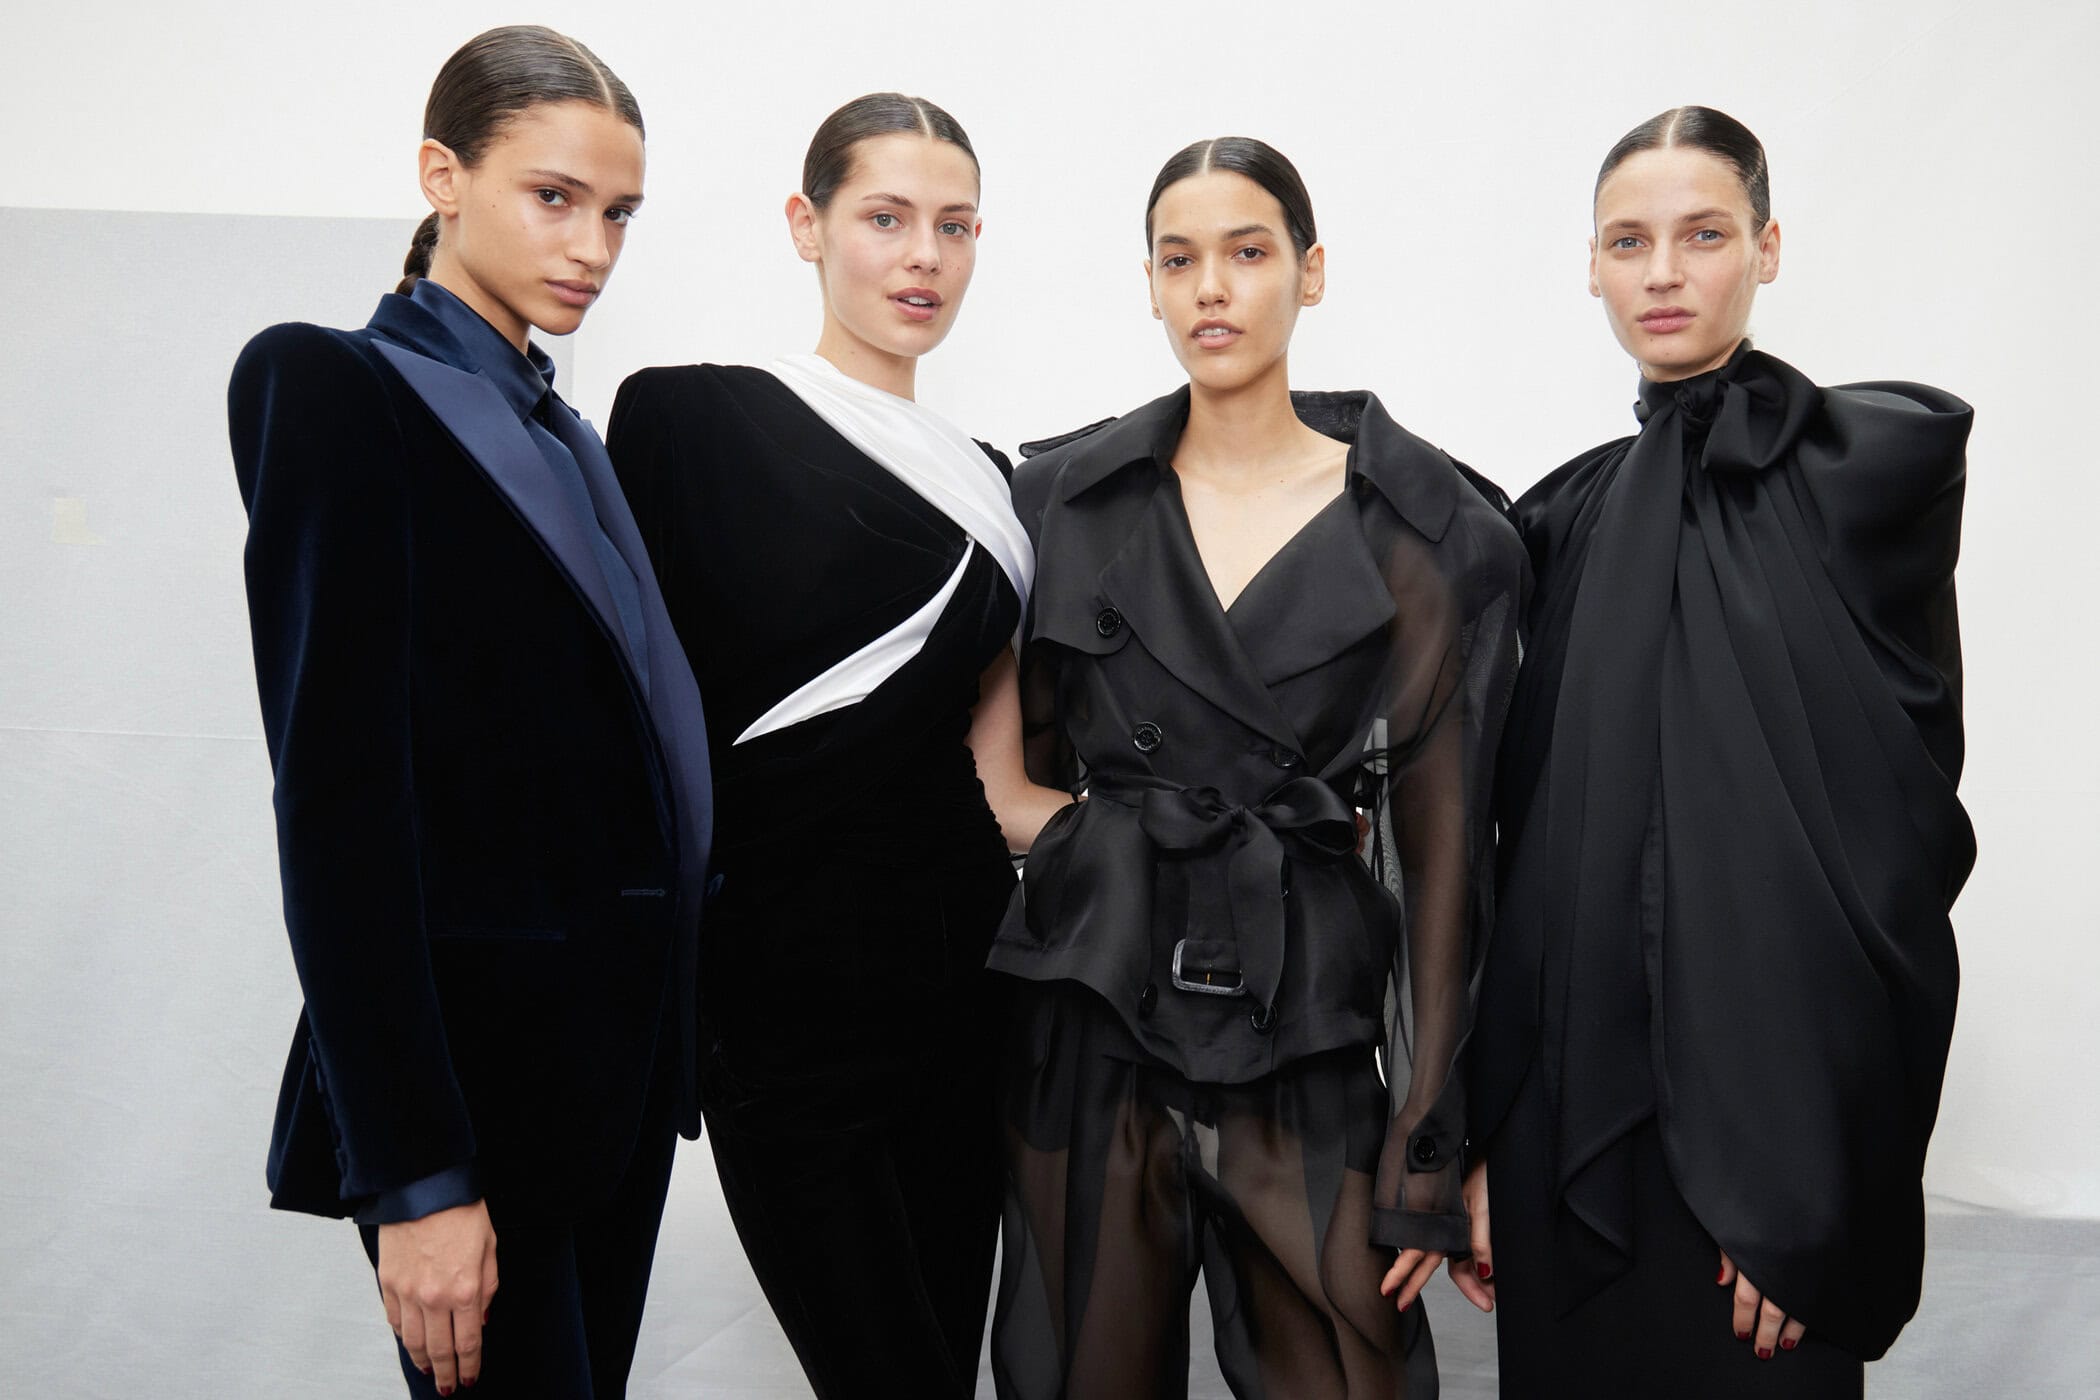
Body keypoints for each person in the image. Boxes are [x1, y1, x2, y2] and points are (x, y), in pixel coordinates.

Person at [981, 136, 1525, 1398]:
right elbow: (1013, 771)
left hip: (1306, 1023)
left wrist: (1426, 1138)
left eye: (1247, 252)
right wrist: (1083, 837)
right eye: (1179, 260)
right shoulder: (1062, 498)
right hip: (1096, 1014)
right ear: (1150, 284)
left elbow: (1447, 856)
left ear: (1310, 271)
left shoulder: (1430, 528)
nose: (1211, 288)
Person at [228, 26, 711, 1398]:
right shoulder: (336, 387)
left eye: (618, 214)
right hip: (471, 1103)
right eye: (553, 198)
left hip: (611, 1084)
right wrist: (415, 1173)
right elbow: (337, 811)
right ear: (443, 175)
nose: (592, 248)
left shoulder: (567, 431)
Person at [1462, 106, 1975, 1398]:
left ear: (1768, 247)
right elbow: (1523, 852)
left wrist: (1805, 1180)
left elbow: (1882, 857)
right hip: (1563, 1129)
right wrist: (1482, 1143)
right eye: (1628, 241)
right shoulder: (1565, 519)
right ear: (1590, 265)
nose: (1663, 272)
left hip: (1767, 1141)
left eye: (1703, 235)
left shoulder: (1862, 484)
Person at [604, 94, 1033, 1397]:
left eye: (955, 226)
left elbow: (1003, 787)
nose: (924, 257)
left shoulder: (995, 480)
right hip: (780, 1015)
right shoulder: (687, 422)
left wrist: (1232, 832)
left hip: (966, 1002)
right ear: (808, 224)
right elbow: (625, 735)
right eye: (886, 219)